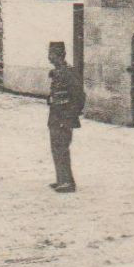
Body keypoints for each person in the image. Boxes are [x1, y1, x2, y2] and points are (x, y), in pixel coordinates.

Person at [46, 41, 85, 193]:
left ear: (60, 56)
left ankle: (68, 183)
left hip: (64, 118)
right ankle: (61, 179)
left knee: (62, 148)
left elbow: (79, 97)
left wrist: (69, 117)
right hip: (55, 117)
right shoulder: (57, 72)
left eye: (52, 55)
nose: (49, 58)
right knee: (56, 148)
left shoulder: (69, 72)